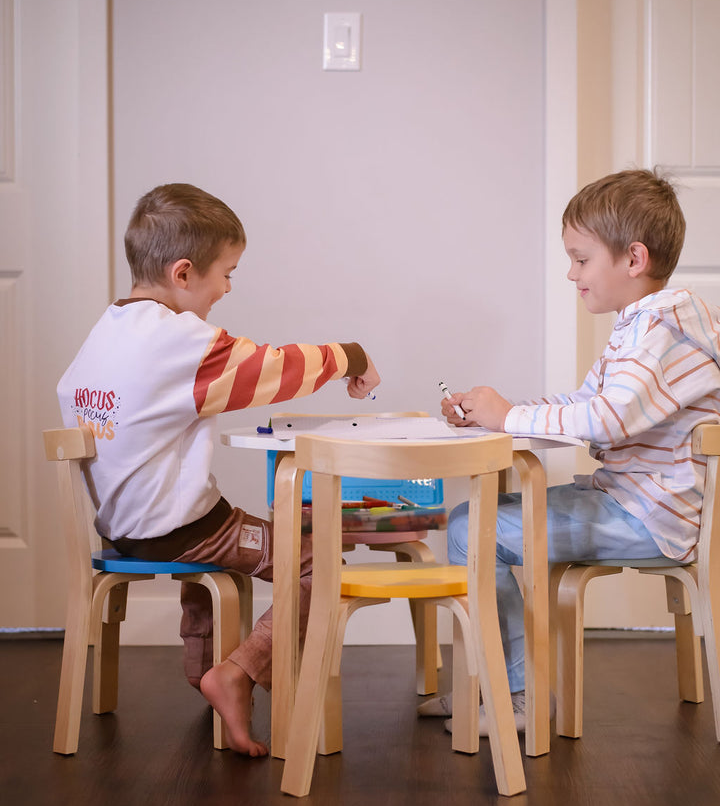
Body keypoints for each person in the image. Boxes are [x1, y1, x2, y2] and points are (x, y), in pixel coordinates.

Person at [57, 183, 380, 757]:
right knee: (319, 559)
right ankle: (238, 672)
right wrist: (351, 354)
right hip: (180, 533)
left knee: (218, 521)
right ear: (183, 274)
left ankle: (208, 675)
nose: (228, 288)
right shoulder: (181, 341)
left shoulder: (106, 331)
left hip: (122, 529)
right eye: (226, 273)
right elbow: (275, 369)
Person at [420, 167, 720, 733]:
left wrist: (507, 416)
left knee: (470, 529)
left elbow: (605, 421)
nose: (570, 273)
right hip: (633, 505)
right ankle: (491, 682)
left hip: (646, 517)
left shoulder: (657, 332)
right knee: (477, 521)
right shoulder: (643, 327)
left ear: (633, 259)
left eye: (581, 259)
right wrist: (500, 412)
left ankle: (516, 697)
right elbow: (587, 402)